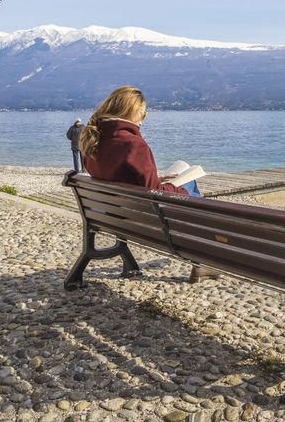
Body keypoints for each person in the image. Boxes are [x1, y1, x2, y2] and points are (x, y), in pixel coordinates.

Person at [79, 86, 216, 282]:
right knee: (191, 186)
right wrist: (178, 187)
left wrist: (163, 180)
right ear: (134, 112)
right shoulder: (133, 143)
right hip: (145, 219)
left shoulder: (94, 140)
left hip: (113, 216)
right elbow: (155, 192)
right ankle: (201, 262)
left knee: (183, 186)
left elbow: (119, 177)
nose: (145, 116)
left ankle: (201, 262)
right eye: (144, 111)